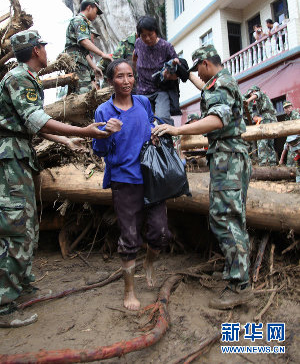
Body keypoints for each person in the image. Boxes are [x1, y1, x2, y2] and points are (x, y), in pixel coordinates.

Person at [0, 30, 119, 316]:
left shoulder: (26, 78)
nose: (45, 49)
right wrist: (83, 130)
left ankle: (22, 285)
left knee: (26, 224)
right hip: (10, 159)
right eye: (42, 45)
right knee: (15, 227)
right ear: (35, 51)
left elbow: (34, 125)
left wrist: (65, 139)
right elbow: (38, 120)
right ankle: (4, 304)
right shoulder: (19, 78)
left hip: (19, 154)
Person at [153, 45, 253, 310]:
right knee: (231, 216)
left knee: (225, 218)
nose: (198, 72)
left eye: (199, 68)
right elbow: (205, 88)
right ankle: (236, 269)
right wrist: (186, 74)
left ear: (207, 64)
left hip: (228, 158)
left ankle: (240, 285)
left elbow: (217, 120)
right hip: (229, 156)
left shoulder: (221, 85)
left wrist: (177, 131)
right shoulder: (221, 81)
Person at [92, 58, 171, 311]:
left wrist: (155, 132)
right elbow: (99, 150)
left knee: (159, 232)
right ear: (110, 81)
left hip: (151, 177)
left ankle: (149, 262)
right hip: (124, 181)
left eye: (129, 76)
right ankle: (129, 290)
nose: (126, 81)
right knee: (129, 237)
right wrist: (108, 134)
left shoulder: (143, 103)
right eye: (120, 76)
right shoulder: (103, 111)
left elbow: (149, 126)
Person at [132, 16, 189, 125]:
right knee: (142, 121)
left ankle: (166, 141)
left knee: (162, 119)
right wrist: (135, 70)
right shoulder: (138, 43)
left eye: (150, 34)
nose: (147, 38)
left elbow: (178, 71)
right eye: (144, 36)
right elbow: (135, 58)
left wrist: (169, 74)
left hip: (160, 90)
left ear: (156, 31)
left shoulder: (166, 46)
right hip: (142, 90)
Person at [64, 0, 112, 94]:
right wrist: (102, 54)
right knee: (84, 92)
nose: (96, 15)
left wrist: (94, 67)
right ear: (89, 7)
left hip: (80, 61)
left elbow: (83, 52)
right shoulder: (79, 20)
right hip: (76, 63)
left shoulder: (83, 22)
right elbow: (84, 41)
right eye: (96, 11)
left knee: (81, 92)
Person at [245, 86, 277, 166]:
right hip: (272, 119)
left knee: (261, 141)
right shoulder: (263, 99)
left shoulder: (260, 94)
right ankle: (272, 163)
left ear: (254, 91)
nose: (251, 95)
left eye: (251, 93)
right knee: (270, 143)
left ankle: (263, 163)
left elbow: (256, 94)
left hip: (267, 119)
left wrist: (248, 101)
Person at [279, 101, 300, 166]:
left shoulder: (295, 114)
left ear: (291, 107)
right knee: (290, 163)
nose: (287, 109)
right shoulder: (287, 118)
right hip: (291, 142)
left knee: (296, 163)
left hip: (297, 142)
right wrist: (281, 159)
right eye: (285, 108)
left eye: (289, 107)